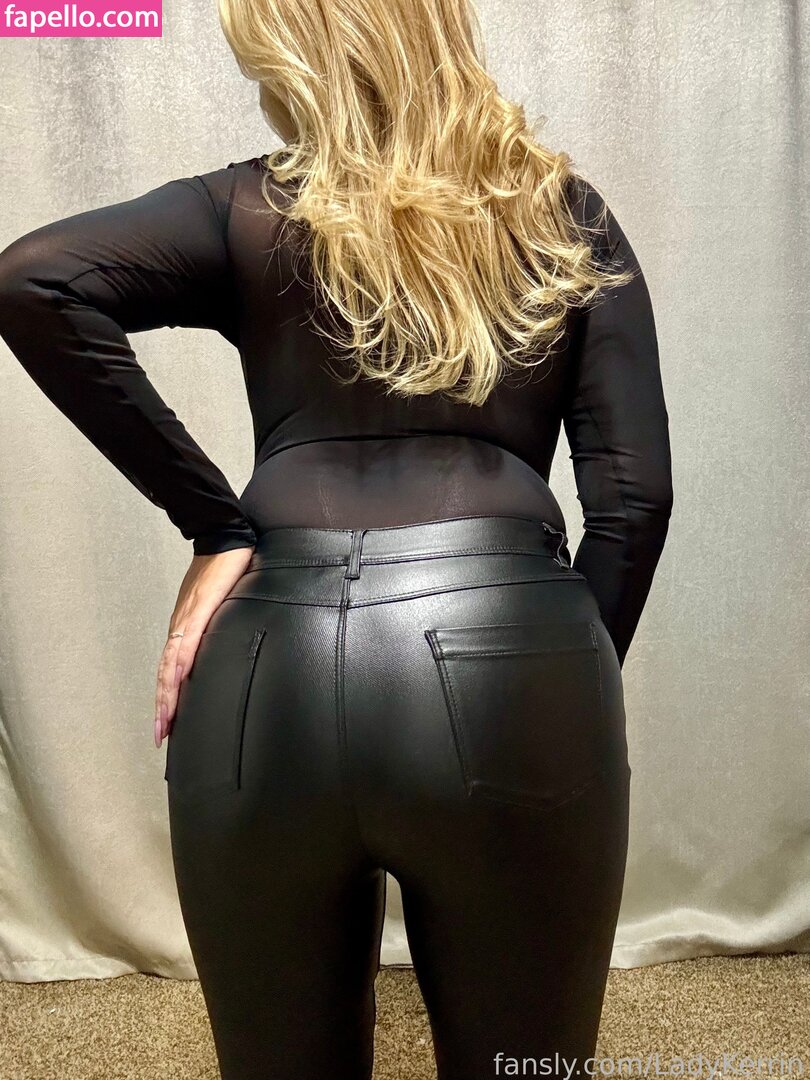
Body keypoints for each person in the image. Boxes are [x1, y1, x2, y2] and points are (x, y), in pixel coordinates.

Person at [0, 0, 673, 1076]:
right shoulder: (563, 215)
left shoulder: (246, 208)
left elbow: (36, 277)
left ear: (302, 61)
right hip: (510, 642)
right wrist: (557, 686)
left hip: (269, 661)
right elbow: (635, 501)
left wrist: (215, 525)